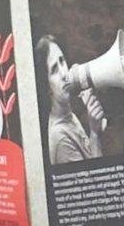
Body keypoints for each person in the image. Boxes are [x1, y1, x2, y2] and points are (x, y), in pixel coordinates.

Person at [35, 34, 108, 165]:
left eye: (62, 61)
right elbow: (96, 176)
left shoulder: (67, 115)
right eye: (54, 70)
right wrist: (94, 134)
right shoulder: (60, 139)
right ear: (47, 87)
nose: (64, 73)